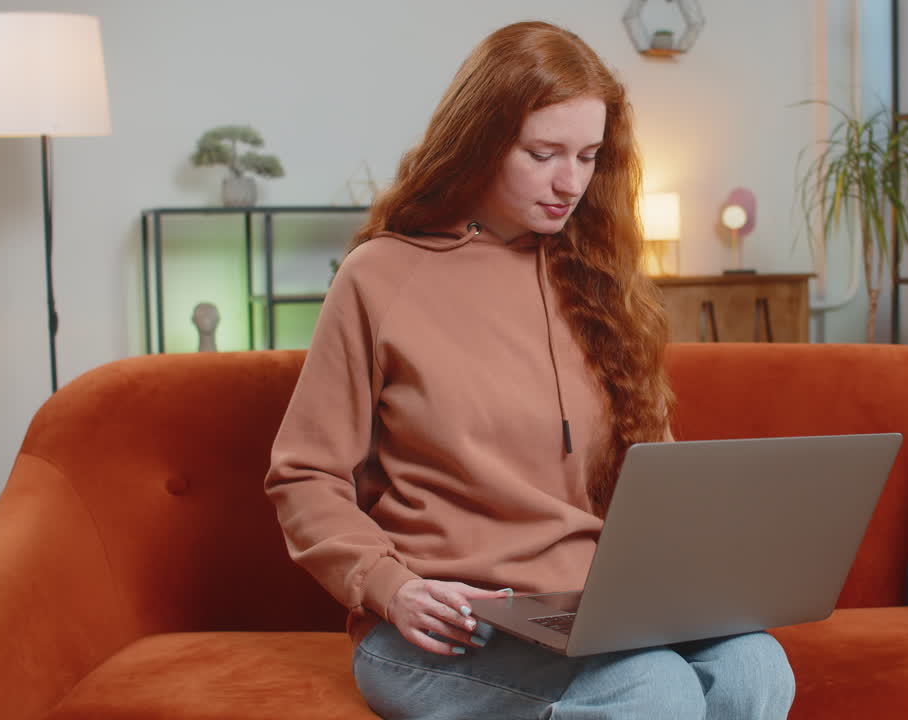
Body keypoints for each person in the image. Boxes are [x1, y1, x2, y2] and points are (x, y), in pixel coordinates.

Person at [264, 20, 795, 719]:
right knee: (655, 689)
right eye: (544, 153)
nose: (569, 181)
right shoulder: (380, 277)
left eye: (587, 155)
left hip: (586, 614)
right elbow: (304, 476)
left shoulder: (600, 284)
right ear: (480, 141)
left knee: (756, 665)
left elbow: (653, 481)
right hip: (445, 623)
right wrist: (390, 585)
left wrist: (691, 569)